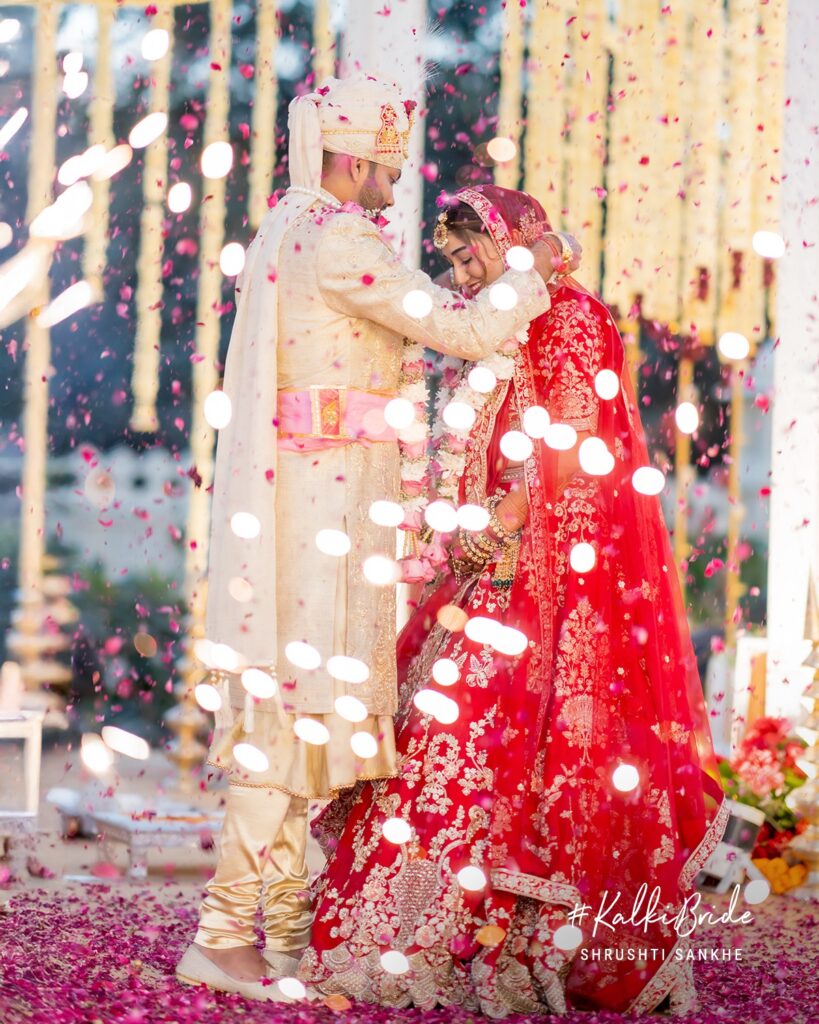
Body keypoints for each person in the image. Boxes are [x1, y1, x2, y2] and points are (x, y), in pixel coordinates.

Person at [176, 79, 580, 1001]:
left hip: (318, 496)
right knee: (289, 716)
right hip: (318, 505)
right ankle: (222, 934)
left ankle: (282, 934)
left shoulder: (287, 226)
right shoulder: (338, 237)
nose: (395, 188)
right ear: (353, 160)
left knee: (302, 711)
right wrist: (536, 269)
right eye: (389, 169)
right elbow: (464, 330)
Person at [297, 185, 728, 1015]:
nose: (461, 276)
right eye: (453, 262)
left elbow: (574, 441)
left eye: (471, 256)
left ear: (513, 238)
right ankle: (401, 937)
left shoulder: (569, 316)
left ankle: (493, 944)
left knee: (472, 738)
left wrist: (500, 523)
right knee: (436, 734)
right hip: (487, 566)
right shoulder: (504, 319)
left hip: (540, 577)